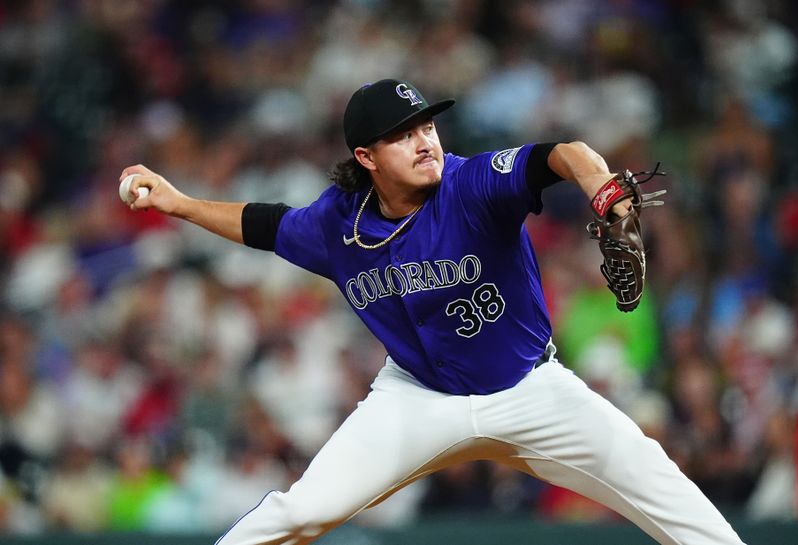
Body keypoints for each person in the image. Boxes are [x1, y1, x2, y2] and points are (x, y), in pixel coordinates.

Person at [120, 79, 746, 545]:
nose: (425, 142)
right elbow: (264, 224)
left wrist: (605, 192)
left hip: (532, 390)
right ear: (367, 157)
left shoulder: (472, 183)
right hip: (416, 399)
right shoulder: (337, 223)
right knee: (300, 511)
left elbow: (564, 153)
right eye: (403, 135)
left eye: (426, 126)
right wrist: (179, 203)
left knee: (665, 492)